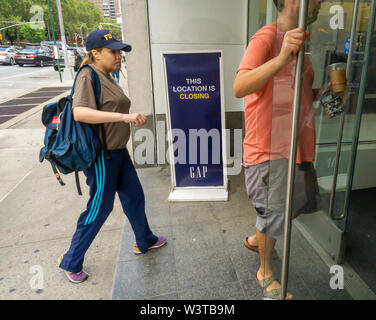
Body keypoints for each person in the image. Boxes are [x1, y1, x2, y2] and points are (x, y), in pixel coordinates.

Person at [233, 0, 326, 299]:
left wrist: (322, 95)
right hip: (269, 149)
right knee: (275, 211)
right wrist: (282, 56)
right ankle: (265, 271)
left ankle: (257, 236)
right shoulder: (266, 39)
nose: (320, 2)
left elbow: (295, 93)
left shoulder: (302, 42)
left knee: (295, 206)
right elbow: (240, 86)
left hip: (297, 148)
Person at [58, 29, 166, 284]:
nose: (119, 56)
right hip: (102, 157)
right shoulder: (88, 75)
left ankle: (144, 240)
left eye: (120, 51)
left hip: (118, 152)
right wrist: (124, 117)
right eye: (113, 51)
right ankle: (71, 260)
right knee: (100, 208)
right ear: (95, 53)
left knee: (134, 197)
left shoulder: (106, 75)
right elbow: (80, 113)